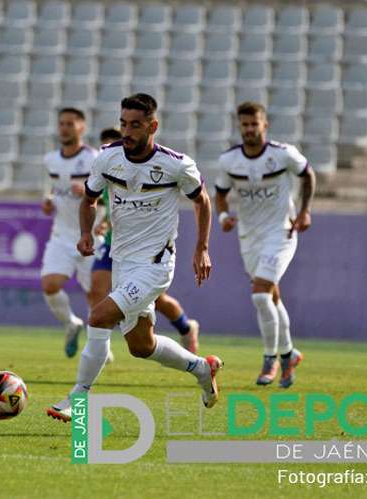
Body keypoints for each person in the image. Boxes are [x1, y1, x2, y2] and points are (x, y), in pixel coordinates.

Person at [47, 94, 222, 422]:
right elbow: (88, 200)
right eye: (124, 123)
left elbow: (202, 201)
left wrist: (202, 248)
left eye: (136, 125)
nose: (127, 131)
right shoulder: (107, 159)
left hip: (155, 264)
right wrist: (86, 233)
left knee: (98, 317)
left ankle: (78, 397)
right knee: (141, 346)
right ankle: (202, 368)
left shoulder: (175, 164)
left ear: (152, 126)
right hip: (122, 262)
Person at [214, 101, 316, 388]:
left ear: (264, 125)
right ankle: (289, 354)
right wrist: (222, 215)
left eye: (254, 124)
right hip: (249, 237)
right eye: (244, 124)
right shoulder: (229, 161)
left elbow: (308, 174)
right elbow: (220, 193)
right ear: (240, 127)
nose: (249, 129)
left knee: (260, 295)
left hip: (281, 232)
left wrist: (305, 210)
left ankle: (272, 359)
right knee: (271, 298)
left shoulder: (283, 154)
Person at [92, 128, 202, 354]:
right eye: (103, 147)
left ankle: (185, 327)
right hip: (114, 246)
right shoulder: (106, 170)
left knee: (158, 301)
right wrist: (102, 221)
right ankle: (102, 345)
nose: (108, 151)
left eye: (112, 145)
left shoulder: (140, 170)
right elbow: (104, 203)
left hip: (144, 250)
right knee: (97, 289)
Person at [40, 108, 101, 358]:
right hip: (62, 235)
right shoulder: (50, 160)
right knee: (50, 284)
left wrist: (86, 191)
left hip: (91, 235)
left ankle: (98, 345)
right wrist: (49, 201)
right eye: (62, 124)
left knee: (95, 296)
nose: (64, 128)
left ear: (82, 128)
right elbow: (56, 189)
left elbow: (107, 194)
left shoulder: (94, 159)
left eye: (70, 124)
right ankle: (71, 324)